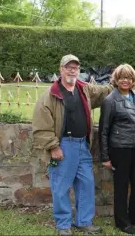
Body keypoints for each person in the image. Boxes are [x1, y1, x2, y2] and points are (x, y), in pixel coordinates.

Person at [32, 54, 113, 236]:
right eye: (68, 67)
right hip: (63, 146)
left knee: (86, 184)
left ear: (79, 70)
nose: (72, 70)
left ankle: (83, 222)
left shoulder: (84, 89)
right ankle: (63, 225)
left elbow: (102, 92)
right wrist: (53, 147)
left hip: (82, 145)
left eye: (75, 67)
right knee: (60, 187)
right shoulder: (50, 95)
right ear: (61, 69)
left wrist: (118, 82)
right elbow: (40, 126)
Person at [99, 64, 135, 235]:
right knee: (121, 186)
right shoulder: (110, 101)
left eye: (128, 77)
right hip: (120, 149)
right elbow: (104, 130)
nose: (125, 80)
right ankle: (122, 222)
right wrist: (105, 157)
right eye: (121, 77)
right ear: (116, 80)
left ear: (133, 80)